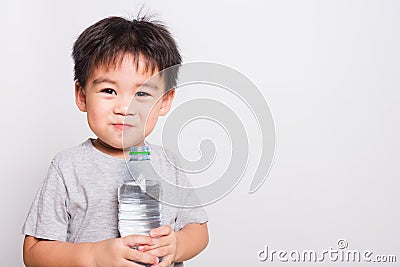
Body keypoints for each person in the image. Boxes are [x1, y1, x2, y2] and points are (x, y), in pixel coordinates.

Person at [22, 15, 209, 267]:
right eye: (109, 91)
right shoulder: (68, 167)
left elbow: (198, 230)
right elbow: (34, 252)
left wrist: (178, 245)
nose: (124, 107)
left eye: (142, 93)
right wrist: (93, 256)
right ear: (82, 96)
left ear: (165, 101)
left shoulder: (168, 164)